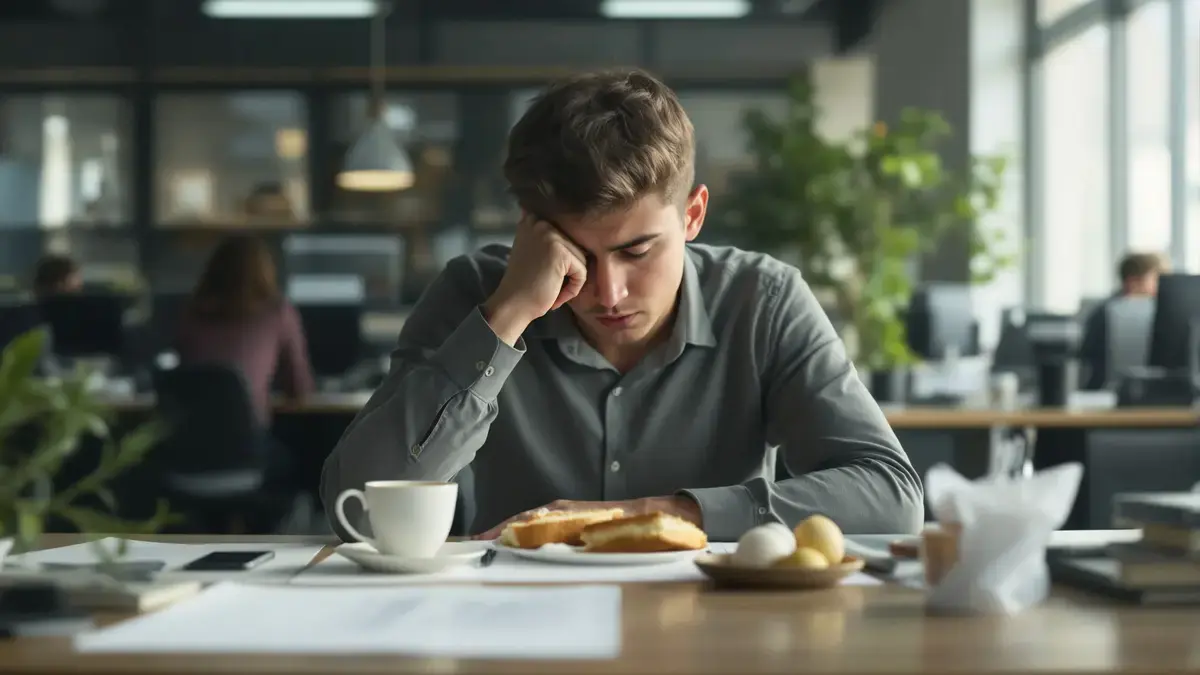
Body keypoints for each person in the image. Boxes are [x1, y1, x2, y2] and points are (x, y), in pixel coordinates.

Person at [321, 69, 923, 542]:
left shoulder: (763, 300)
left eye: (637, 251)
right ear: (531, 229)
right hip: (510, 630)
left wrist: (653, 514)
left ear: (693, 215)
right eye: (577, 253)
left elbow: (890, 497)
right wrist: (504, 318)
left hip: (715, 632)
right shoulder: (475, 293)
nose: (607, 293)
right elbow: (360, 512)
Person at [175, 234, 315, 427]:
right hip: (248, 442)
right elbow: (299, 389)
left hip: (189, 440)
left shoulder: (192, 312)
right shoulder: (277, 312)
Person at [1078, 252, 1169, 390]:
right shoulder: (1105, 314)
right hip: (1106, 391)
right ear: (1133, 282)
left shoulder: (1164, 312)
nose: (1164, 286)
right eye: (1157, 279)